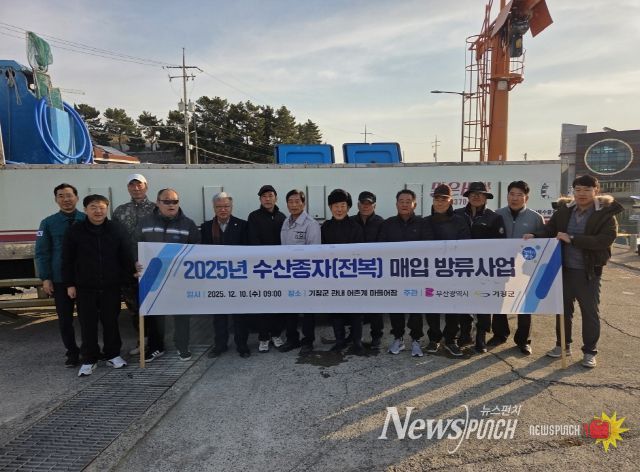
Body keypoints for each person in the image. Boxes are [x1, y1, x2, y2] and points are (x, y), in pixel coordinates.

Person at [524, 175, 622, 368]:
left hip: (588, 272)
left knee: (589, 313)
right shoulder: (564, 211)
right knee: (562, 311)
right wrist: (534, 235)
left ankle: (589, 352)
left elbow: (604, 240)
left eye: (587, 190)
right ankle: (563, 346)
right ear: (573, 191)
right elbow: (550, 230)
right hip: (563, 270)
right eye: (578, 190)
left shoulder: (605, 214)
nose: (582, 194)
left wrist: (573, 239)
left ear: (596, 191)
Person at [62, 194, 135, 377]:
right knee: (87, 324)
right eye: (93, 207)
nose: (98, 211)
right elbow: (67, 260)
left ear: (107, 209)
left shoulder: (116, 229)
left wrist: (128, 277)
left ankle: (113, 355)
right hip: (85, 287)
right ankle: (89, 359)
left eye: (102, 207)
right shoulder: (75, 231)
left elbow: (126, 255)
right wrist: (69, 284)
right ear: (85, 210)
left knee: (111, 322)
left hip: (111, 286)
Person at [137, 188, 201, 362]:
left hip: (179, 279)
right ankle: (156, 347)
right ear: (158, 203)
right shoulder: (145, 222)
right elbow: (135, 245)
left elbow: (197, 248)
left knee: (181, 314)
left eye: (175, 201)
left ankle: (182, 345)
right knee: (155, 314)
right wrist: (135, 261)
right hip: (153, 277)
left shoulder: (188, 224)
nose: (171, 205)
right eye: (167, 201)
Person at [35, 183, 86, 368]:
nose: (66, 199)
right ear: (56, 200)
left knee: (88, 318)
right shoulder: (48, 223)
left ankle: (89, 350)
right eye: (61, 196)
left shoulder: (86, 219)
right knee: (65, 320)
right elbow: (42, 252)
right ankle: (72, 352)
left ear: (77, 198)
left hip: (84, 278)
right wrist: (46, 278)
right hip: (59, 279)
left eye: (69, 195)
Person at [378, 189, 432, 357]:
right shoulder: (388, 224)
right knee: (396, 307)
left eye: (408, 201)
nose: (404, 204)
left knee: (415, 308)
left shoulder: (423, 224)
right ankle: (398, 338)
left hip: (416, 275)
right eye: (401, 201)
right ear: (396, 204)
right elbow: (380, 247)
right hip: (394, 274)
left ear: (414, 204)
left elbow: (429, 247)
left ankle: (416, 340)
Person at [454, 181, 506, 353]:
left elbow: (501, 245)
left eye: (480, 194)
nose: (476, 196)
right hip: (461, 268)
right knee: (463, 300)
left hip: (484, 269)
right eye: (473, 193)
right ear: (468, 196)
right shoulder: (457, 215)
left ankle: (481, 337)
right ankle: (465, 334)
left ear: (486, 197)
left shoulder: (494, 218)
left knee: (483, 303)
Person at [494, 181, 545, 355]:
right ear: (507, 195)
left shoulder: (535, 218)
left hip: (525, 268)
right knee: (499, 300)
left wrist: (535, 235)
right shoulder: (497, 215)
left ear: (526, 198)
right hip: (501, 266)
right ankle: (500, 334)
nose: (515, 198)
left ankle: (523, 340)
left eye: (519, 195)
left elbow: (544, 238)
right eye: (512, 194)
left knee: (524, 304)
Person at [422, 184, 471, 357]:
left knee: (453, 307)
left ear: (450, 201)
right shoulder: (425, 221)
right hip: (430, 273)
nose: (440, 202)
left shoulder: (459, 221)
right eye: (437, 199)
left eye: (444, 199)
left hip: (453, 272)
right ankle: (434, 339)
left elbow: (466, 244)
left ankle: (451, 340)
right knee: (432, 307)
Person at [201, 192, 251, 358]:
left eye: (226, 206)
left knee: (240, 314)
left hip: (238, 276)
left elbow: (249, 251)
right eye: (219, 207)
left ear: (231, 207)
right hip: (216, 277)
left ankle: (242, 345)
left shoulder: (242, 225)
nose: (223, 209)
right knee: (219, 314)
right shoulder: (206, 227)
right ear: (213, 208)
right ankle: (220, 345)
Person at [112, 173, 156, 356]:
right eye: (132, 185)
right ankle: (142, 341)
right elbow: (114, 239)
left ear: (146, 187)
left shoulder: (157, 208)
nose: (136, 188)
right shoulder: (120, 211)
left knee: (154, 306)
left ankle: (156, 343)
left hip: (153, 267)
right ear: (128, 188)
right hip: (128, 268)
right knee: (134, 308)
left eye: (140, 185)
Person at [321, 189, 365, 353]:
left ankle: (357, 341)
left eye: (343, 206)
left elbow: (360, 252)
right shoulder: (325, 227)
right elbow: (321, 251)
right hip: (332, 275)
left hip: (352, 275)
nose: (339, 209)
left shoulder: (355, 227)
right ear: (330, 207)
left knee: (356, 310)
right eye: (335, 206)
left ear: (348, 207)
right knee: (335, 309)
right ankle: (339, 340)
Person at [279, 189, 322, 354]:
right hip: (288, 273)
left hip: (305, 273)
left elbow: (314, 252)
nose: (294, 205)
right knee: (290, 308)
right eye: (290, 202)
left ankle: (308, 341)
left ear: (303, 204)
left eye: (297, 201)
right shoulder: (286, 222)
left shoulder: (311, 224)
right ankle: (292, 339)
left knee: (307, 309)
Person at [247, 185, 286, 352]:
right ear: (260, 199)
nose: (267, 199)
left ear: (276, 198)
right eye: (264, 196)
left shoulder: (282, 217)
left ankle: (276, 334)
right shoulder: (254, 216)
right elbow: (253, 240)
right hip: (262, 267)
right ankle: (263, 337)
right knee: (262, 303)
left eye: (270, 195)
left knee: (278, 302)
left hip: (279, 268)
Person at [352, 190, 385, 349]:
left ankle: (376, 336)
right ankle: (356, 337)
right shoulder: (351, 221)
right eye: (363, 204)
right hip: (354, 271)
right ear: (358, 205)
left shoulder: (381, 222)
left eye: (369, 204)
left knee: (375, 307)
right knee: (356, 306)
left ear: (374, 206)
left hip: (374, 271)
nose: (366, 206)